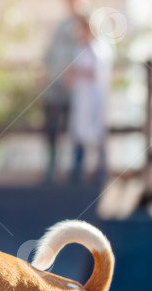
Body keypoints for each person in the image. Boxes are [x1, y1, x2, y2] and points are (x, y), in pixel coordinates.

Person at [66, 14, 112, 185]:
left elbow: (98, 73)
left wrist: (79, 71)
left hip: (95, 97)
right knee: (79, 134)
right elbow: (72, 72)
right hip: (81, 97)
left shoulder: (101, 49)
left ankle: (101, 172)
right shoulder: (78, 49)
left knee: (98, 134)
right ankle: (77, 172)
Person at [41, 0, 81, 184]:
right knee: (51, 128)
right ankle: (52, 167)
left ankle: (76, 170)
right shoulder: (61, 26)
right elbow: (48, 55)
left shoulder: (87, 25)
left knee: (76, 129)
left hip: (76, 91)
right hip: (55, 86)